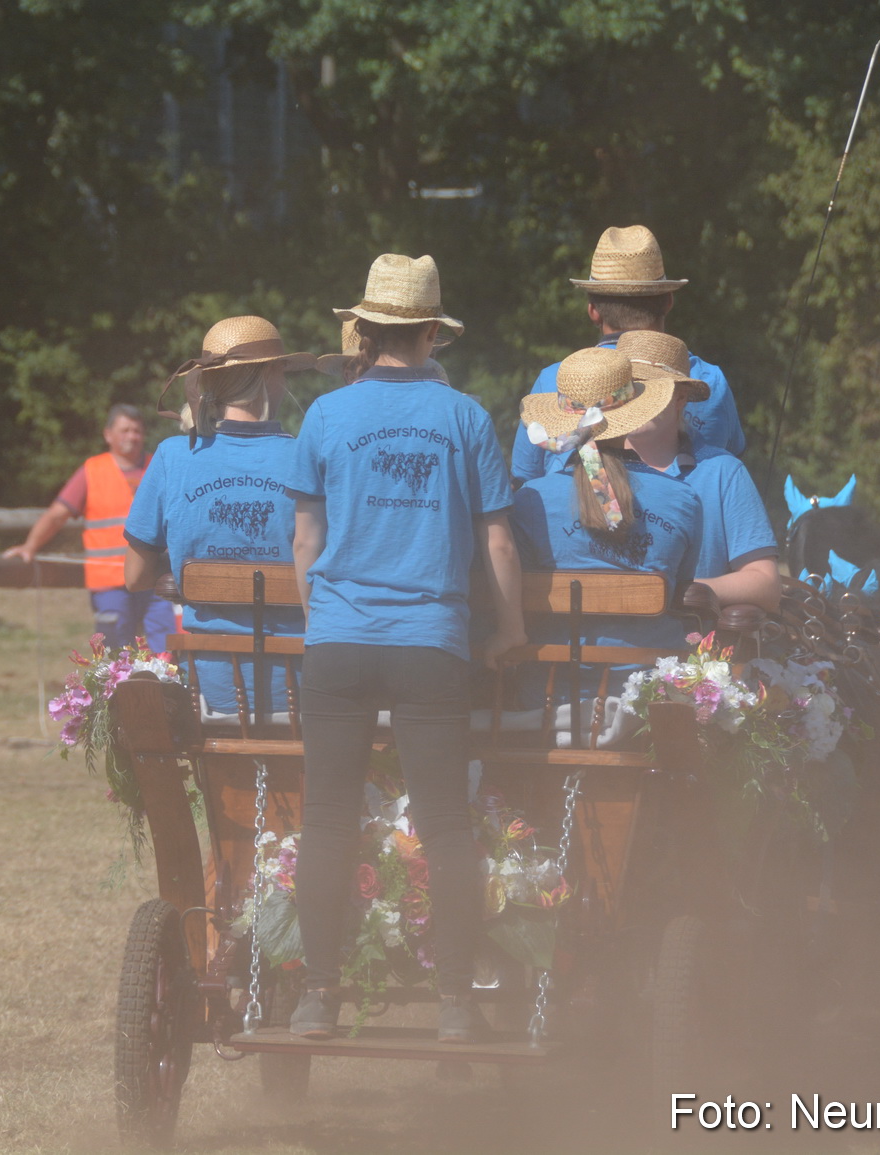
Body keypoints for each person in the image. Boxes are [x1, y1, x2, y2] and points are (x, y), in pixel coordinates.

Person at [284, 253, 525, 1045]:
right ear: (430, 333)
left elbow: (305, 540)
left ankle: (318, 997)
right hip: (431, 642)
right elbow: (497, 541)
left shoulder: (325, 415)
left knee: (326, 821)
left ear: (364, 331)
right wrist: (511, 628)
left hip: (339, 639)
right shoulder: (465, 416)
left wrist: (321, 619)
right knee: (447, 823)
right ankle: (454, 1001)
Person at [122, 316, 315, 716]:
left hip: (212, 691)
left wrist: (189, 572)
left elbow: (135, 577)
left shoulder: (173, 457)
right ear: (270, 375)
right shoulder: (308, 458)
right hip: (300, 687)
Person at [511, 346, 703, 715]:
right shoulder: (683, 499)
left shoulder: (530, 500)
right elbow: (682, 588)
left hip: (547, 696)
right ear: (633, 415)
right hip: (650, 697)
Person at [511, 225, 745, 484]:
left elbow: (526, 482)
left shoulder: (552, 381)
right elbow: (729, 469)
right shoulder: (709, 381)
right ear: (669, 301)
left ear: (593, 311)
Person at [616, 331, 781, 611]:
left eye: (649, 389)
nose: (635, 399)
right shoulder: (585, 470)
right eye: (625, 388)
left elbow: (765, 583)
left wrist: (676, 592)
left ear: (680, 398)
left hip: (690, 635)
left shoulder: (724, 472)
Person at [5, 404, 172, 653]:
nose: (132, 436)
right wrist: (30, 546)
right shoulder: (92, 471)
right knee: (114, 656)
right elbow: (57, 515)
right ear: (108, 435)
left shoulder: (159, 467)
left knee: (168, 651)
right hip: (109, 583)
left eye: (137, 431)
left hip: (155, 579)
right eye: (125, 430)